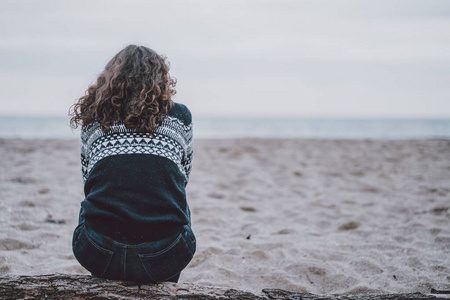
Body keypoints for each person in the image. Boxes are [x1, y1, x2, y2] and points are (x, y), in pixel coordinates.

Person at [69, 44, 195, 283]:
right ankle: (165, 285)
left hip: (98, 251)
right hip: (165, 254)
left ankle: (105, 283)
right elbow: (183, 173)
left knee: (95, 197)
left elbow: (88, 177)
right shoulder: (180, 116)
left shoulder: (94, 119)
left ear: (111, 79)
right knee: (177, 198)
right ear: (160, 79)